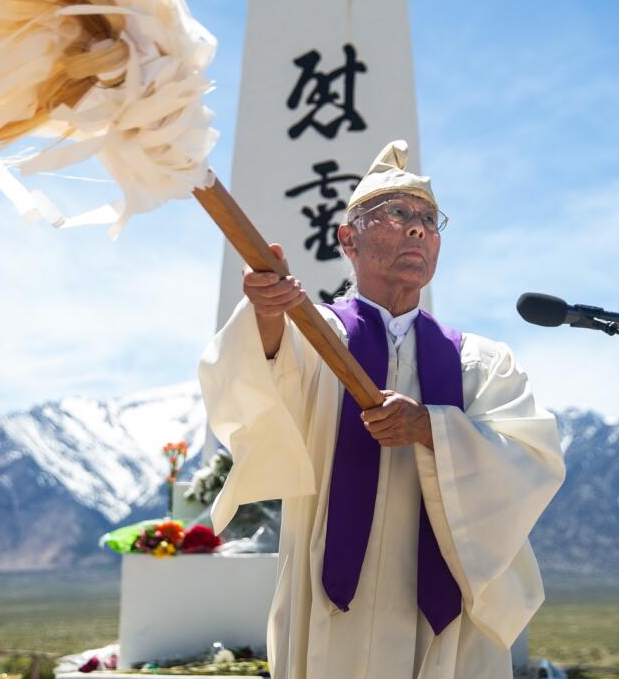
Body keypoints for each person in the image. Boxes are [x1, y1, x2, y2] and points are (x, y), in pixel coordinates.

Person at [199, 140, 566, 679]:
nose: (417, 229)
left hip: (438, 610)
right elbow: (257, 387)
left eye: (429, 219)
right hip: (330, 606)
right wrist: (268, 317)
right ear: (348, 238)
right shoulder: (314, 335)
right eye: (397, 213)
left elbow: (532, 459)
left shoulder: (479, 362)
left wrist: (431, 427)